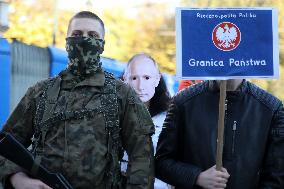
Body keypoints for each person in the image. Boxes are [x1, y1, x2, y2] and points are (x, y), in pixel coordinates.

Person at [0, 11, 155, 189]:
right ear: (67, 41)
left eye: (93, 35)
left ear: (102, 45)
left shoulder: (122, 95)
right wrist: (18, 179)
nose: (84, 40)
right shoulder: (40, 92)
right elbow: (6, 144)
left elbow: (143, 156)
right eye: (77, 34)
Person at [155, 79, 284, 189]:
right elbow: (161, 163)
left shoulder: (271, 108)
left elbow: (275, 176)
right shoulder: (183, 102)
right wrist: (196, 177)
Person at [121, 53, 171, 189]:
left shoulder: (172, 118)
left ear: (157, 79)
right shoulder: (113, 115)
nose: (140, 86)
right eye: (134, 78)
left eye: (147, 78)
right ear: (125, 79)